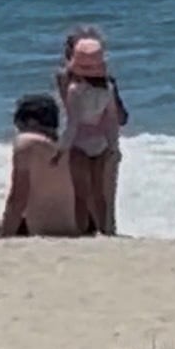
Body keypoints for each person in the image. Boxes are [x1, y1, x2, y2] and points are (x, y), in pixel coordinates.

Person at [56, 25, 128, 233]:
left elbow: (71, 116)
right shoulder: (106, 83)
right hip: (105, 140)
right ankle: (107, 233)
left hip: (78, 139)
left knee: (83, 194)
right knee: (104, 195)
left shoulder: (66, 80)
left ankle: (90, 232)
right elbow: (121, 118)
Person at [0, 95, 80, 238]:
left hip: (44, 230)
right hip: (72, 228)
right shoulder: (64, 147)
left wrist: (6, 237)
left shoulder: (27, 142)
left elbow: (18, 198)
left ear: (30, 122)